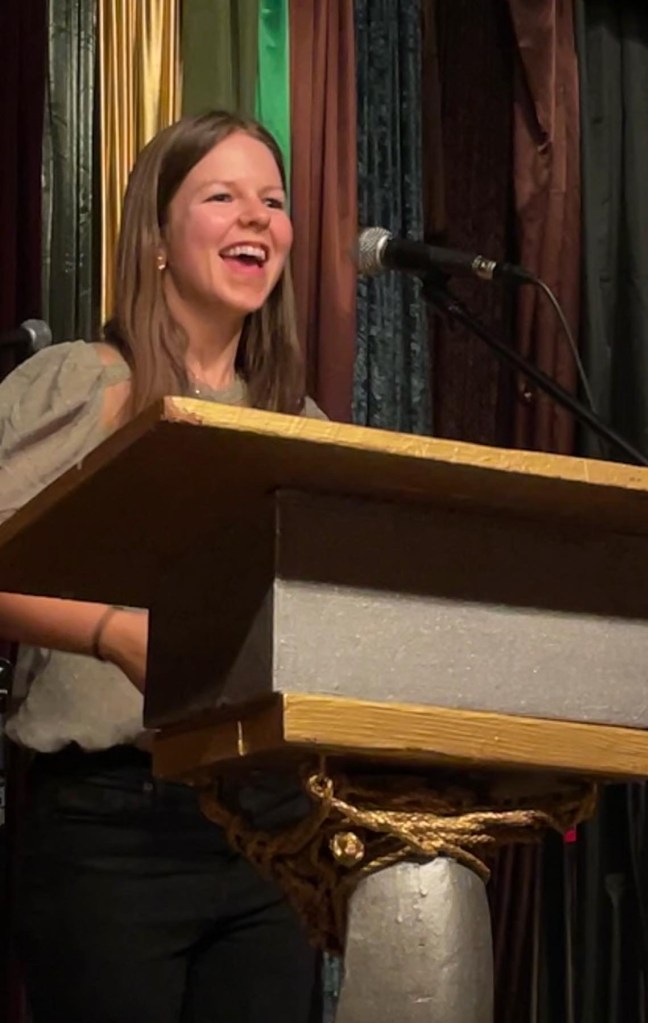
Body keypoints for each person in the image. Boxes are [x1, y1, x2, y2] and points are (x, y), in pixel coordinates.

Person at [0, 111, 326, 1023]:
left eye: (272, 201)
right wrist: (113, 635)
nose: (256, 217)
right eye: (222, 197)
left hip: (269, 827)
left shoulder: (299, 424)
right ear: (155, 236)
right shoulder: (77, 382)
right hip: (111, 828)